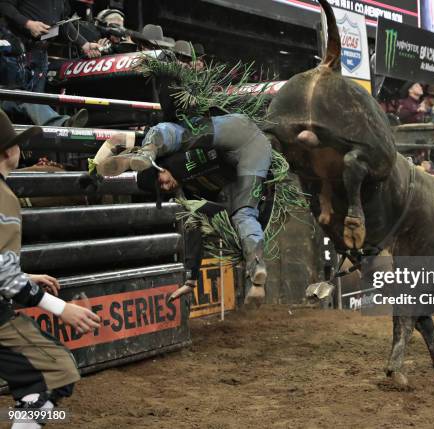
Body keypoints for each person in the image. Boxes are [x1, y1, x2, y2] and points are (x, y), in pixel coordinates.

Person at [94, 114, 272, 307]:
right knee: (243, 213)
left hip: (233, 132)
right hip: (252, 156)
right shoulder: (188, 195)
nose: (164, 187)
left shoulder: (171, 158)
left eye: (160, 182)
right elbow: (193, 229)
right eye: (160, 190)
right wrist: (190, 279)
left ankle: (148, 151)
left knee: (183, 134)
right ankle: (257, 273)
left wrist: (96, 166)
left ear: (160, 169)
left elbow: (128, 137)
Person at [0, 109, 100, 428]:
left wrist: (23, 275)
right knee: (56, 372)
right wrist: (60, 308)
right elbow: (5, 279)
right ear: (7, 152)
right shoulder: (4, 198)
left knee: (38, 382)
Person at [0, 0, 101, 127]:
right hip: (13, 50)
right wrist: (28, 24)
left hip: (40, 53)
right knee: (21, 99)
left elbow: (63, 23)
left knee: (34, 100)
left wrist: (84, 44)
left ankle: (41, 136)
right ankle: (60, 124)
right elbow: (4, 5)